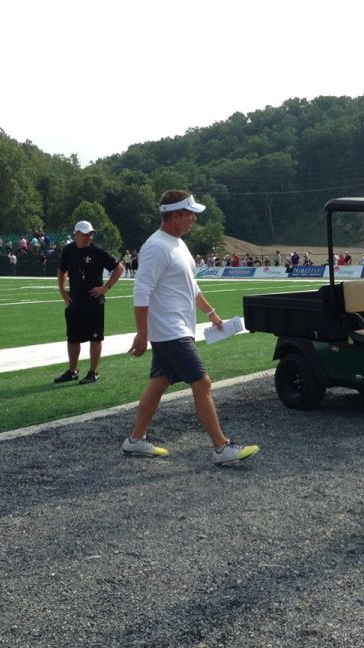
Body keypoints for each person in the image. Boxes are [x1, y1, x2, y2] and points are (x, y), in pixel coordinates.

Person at [122, 190, 259, 466]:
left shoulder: (178, 244)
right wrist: (142, 332)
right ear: (174, 216)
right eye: (189, 213)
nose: (194, 219)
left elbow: (191, 286)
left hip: (178, 328)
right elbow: (141, 290)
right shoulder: (156, 246)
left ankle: (135, 441)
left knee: (160, 382)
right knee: (202, 382)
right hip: (170, 330)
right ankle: (221, 448)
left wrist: (212, 313)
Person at [54, 220, 124, 385]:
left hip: (94, 301)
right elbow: (62, 270)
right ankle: (73, 371)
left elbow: (118, 267)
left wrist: (106, 287)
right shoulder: (68, 250)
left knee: (95, 337)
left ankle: (93, 372)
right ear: (76, 234)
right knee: (72, 337)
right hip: (75, 300)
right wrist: (62, 289)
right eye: (85, 234)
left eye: (90, 234)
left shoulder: (97, 251)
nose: (88, 237)